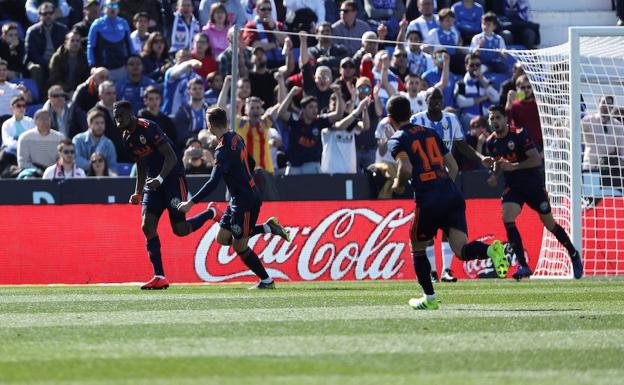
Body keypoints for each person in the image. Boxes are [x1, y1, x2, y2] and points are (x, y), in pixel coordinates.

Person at [387, 94, 508, 310]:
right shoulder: (431, 133)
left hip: (429, 199)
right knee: (460, 250)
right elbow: (453, 166)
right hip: (452, 194)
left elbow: (405, 168)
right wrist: (443, 186)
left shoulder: (397, 138)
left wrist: (397, 185)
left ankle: (429, 298)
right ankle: (491, 251)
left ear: (390, 119)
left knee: (417, 247)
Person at [177, 106, 291, 289]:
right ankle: (267, 227)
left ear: (211, 125)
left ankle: (267, 281)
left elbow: (213, 182)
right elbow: (251, 163)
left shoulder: (222, 151)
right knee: (222, 238)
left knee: (239, 246)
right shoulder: (236, 137)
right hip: (239, 198)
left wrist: (191, 202)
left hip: (245, 201)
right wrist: (242, 179)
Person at [114, 100, 219, 290]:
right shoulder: (126, 138)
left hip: (172, 180)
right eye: (115, 117)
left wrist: (160, 179)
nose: (117, 120)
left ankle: (211, 213)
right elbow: (140, 164)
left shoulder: (148, 128)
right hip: (153, 184)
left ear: (130, 114)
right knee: (147, 225)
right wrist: (138, 192)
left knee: (180, 230)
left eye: (120, 115)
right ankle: (159, 276)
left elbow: (171, 156)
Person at [483, 105, 583, 280]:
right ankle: (523, 265)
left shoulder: (520, 134)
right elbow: (499, 163)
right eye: (492, 119)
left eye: (498, 117)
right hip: (513, 187)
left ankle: (573, 254)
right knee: (507, 217)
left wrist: (513, 167)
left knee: (549, 223)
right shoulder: (491, 142)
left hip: (533, 185)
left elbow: (536, 160)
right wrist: (494, 175)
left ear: (505, 119)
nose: (495, 122)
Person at [24, 2, 69, 94]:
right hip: (39, 62)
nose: (48, 16)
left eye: (50, 13)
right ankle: (38, 96)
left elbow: (66, 49)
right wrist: (47, 63)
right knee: (35, 69)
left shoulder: (63, 29)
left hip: (57, 61)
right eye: (45, 14)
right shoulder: (32, 31)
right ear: (39, 15)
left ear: (54, 14)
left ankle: (65, 93)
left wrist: (55, 62)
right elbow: (31, 53)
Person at [320, 95, 371, 174]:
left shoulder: (351, 122)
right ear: (329, 105)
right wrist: (357, 111)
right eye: (334, 105)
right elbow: (340, 126)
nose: (338, 108)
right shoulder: (325, 121)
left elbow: (365, 126)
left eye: (340, 105)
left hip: (349, 171)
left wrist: (364, 109)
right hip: (330, 172)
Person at [87, 0, 135, 82]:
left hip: (122, 68)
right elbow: (91, 46)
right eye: (109, 6)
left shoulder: (123, 23)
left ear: (118, 9)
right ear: (104, 9)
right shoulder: (97, 24)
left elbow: (129, 44)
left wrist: (132, 60)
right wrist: (92, 65)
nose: (112, 9)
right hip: (104, 69)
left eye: (115, 6)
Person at [454, 52, 499, 130]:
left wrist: (481, 79)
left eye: (477, 65)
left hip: (485, 119)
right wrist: (485, 97)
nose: (475, 67)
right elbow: (461, 103)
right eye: (472, 65)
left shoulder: (487, 82)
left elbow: (496, 98)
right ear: (466, 67)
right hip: (469, 119)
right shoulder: (461, 83)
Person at [17, 109, 66, 173]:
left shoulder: (60, 138)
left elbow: (63, 159)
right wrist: (38, 171)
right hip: (32, 172)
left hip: (54, 172)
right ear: (35, 121)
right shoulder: (25, 138)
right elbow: (23, 162)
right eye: (42, 119)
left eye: (47, 119)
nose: (45, 122)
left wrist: (51, 172)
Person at [242, 0, 286, 70]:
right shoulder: (251, 26)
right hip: (260, 64)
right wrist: (275, 45)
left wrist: (274, 28)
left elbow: (286, 42)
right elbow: (255, 46)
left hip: (280, 62)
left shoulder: (278, 25)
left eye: (269, 9)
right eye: (263, 9)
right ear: (257, 11)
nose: (267, 12)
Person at [73, 108, 118, 172]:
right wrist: (96, 166)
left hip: (102, 180)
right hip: (81, 178)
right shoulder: (78, 140)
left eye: (102, 123)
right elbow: (76, 161)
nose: (100, 126)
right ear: (89, 124)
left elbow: (112, 168)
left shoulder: (109, 144)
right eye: (97, 123)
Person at [505, 74, 542, 150]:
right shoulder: (513, 105)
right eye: (523, 87)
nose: (526, 90)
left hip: (539, 145)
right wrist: (509, 102)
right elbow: (506, 123)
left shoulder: (539, 104)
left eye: (529, 87)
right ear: (517, 89)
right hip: (521, 145)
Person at [0, 96, 35, 175]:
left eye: (24, 106)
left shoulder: (30, 121)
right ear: (12, 108)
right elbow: (7, 141)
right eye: (18, 106)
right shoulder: (6, 124)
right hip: (11, 151)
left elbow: (33, 137)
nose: (21, 108)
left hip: (28, 150)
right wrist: (21, 145)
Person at [138, 86, 178, 152]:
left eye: (157, 98)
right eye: (151, 99)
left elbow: (173, 138)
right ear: (145, 101)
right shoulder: (141, 118)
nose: (155, 101)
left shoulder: (166, 119)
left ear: (160, 100)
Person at [173, 77, 210, 150]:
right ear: (188, 91)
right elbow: (181, 136)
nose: (198, 91)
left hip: (207, 145)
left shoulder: (208, 110)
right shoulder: (182, 112)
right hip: (189, 146)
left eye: (200, 88)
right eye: (194, 89)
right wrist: (198, 139)